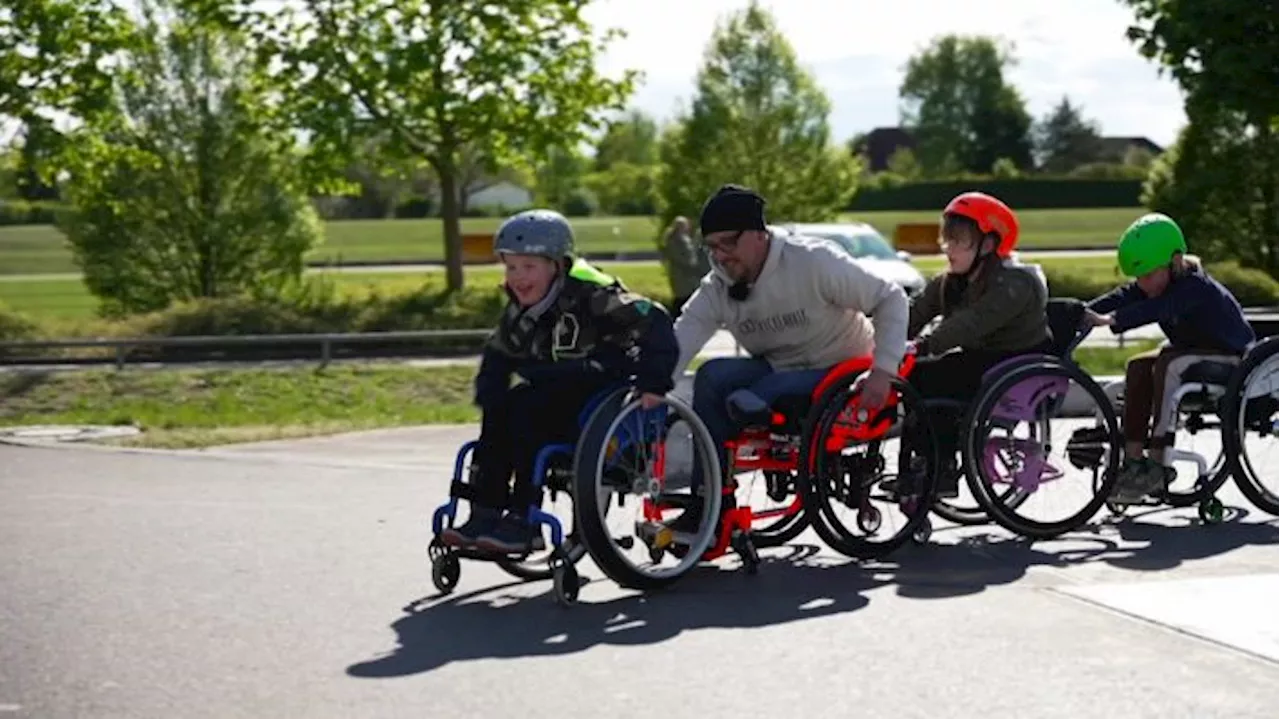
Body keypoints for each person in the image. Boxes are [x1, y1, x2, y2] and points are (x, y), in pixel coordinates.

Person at [663, 183, 910, 541]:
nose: (720, 257)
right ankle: (708, 503)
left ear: (758, 235)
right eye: (712, 247)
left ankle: (752, 411)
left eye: (728, 244)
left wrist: (883, 370)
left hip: (840, 367)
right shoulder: (718, 285)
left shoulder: (811, 262)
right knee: (711, 376)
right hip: (779, 367)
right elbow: (683, 338)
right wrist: (651, 385)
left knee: (769, 389)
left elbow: (890, 298)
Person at [440, 209, 679, 555]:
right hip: (552, 387)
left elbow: (655, 321)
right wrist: (489, 391)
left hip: (598, 387)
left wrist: (654, 382)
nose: (518, 277)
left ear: (556, 264)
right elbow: (498, 352)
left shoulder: (593, 294)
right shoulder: (520, 308)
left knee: (526, 409)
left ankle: (525, 522)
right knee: (501, 410)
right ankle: (485, 512)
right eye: (511, 267)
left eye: (529, 267)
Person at [886, 191, 1052, 499]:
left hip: (1017, 369)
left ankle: (942, 468)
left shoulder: (1015, 283)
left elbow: (972, 322)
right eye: (946, 239)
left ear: (988, 244)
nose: (948, 248)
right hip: (982, 363)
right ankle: (919, 466)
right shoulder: (952, 281)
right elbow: (916, 310)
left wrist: (924, 345)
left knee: (927, 376)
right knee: (915, 375)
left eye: (959, 240)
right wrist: (878, 338)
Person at [1085, 212, 1255, 503]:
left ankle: (1157, 463)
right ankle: (1133, 461)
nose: (1144, 283)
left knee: (1169, 361)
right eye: (1139, 277)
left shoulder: (1195, 287)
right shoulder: (1158, 281)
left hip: (1230, 359)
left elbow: (1159, 309)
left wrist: (1111, 320)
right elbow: (1125, 296)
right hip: (1191, 354)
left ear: (1176, 262)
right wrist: (1083, 312)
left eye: (1149, 275)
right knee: (1138, 366)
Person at [661, 216, 710, 315]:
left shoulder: (684, 238)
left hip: (688, 276)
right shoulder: (673, 241)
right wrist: (693, 267)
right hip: (681, 275)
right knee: (682, 298)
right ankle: (674, 318)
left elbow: (692, 253)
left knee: (687, 298)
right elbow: (680, 259)